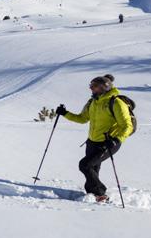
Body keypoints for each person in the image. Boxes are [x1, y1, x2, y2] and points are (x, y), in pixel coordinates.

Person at [56, 74, 132, 202]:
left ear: (104, 87)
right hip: (92, 142)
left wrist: (116, 140)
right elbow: (82, 119)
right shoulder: (92, 102)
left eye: (94, 86)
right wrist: (65, 113)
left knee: (85, 165)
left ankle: (100, 193)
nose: (91, 89)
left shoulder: (116, 102)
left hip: (108, 143)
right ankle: (92, 194)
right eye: (91, 86)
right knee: (93, 170)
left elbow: (127, 126)